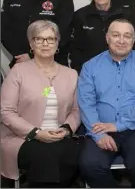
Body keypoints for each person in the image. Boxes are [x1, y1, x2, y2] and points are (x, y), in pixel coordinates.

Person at [77, 19, 135, 188]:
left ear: (133, 40)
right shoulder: (90, 67)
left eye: (127, 36)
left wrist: (118, 125)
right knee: (89, 165)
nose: (121, 40)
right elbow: (86, 104)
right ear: (107, 38)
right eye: (116, 35)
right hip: (100, 128)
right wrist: (99, 135)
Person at [0, 20, 81, 187]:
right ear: (31, 43)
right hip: (23, 138)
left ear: (57, 43)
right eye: (39, 39)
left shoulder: (71, 74)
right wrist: (36, 133)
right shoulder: (18, 72)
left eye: (51, 39)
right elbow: (6, 111)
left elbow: (77, 110)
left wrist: (66, 129)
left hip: (60, 135)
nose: (45, 43)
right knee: (46, 156)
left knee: (71, 154)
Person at [70, 0, 127, 73]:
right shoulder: (80, 16)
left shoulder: (124, 15)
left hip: (119, 72)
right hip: (89, 73)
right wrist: (81, 70)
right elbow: (75, 48)